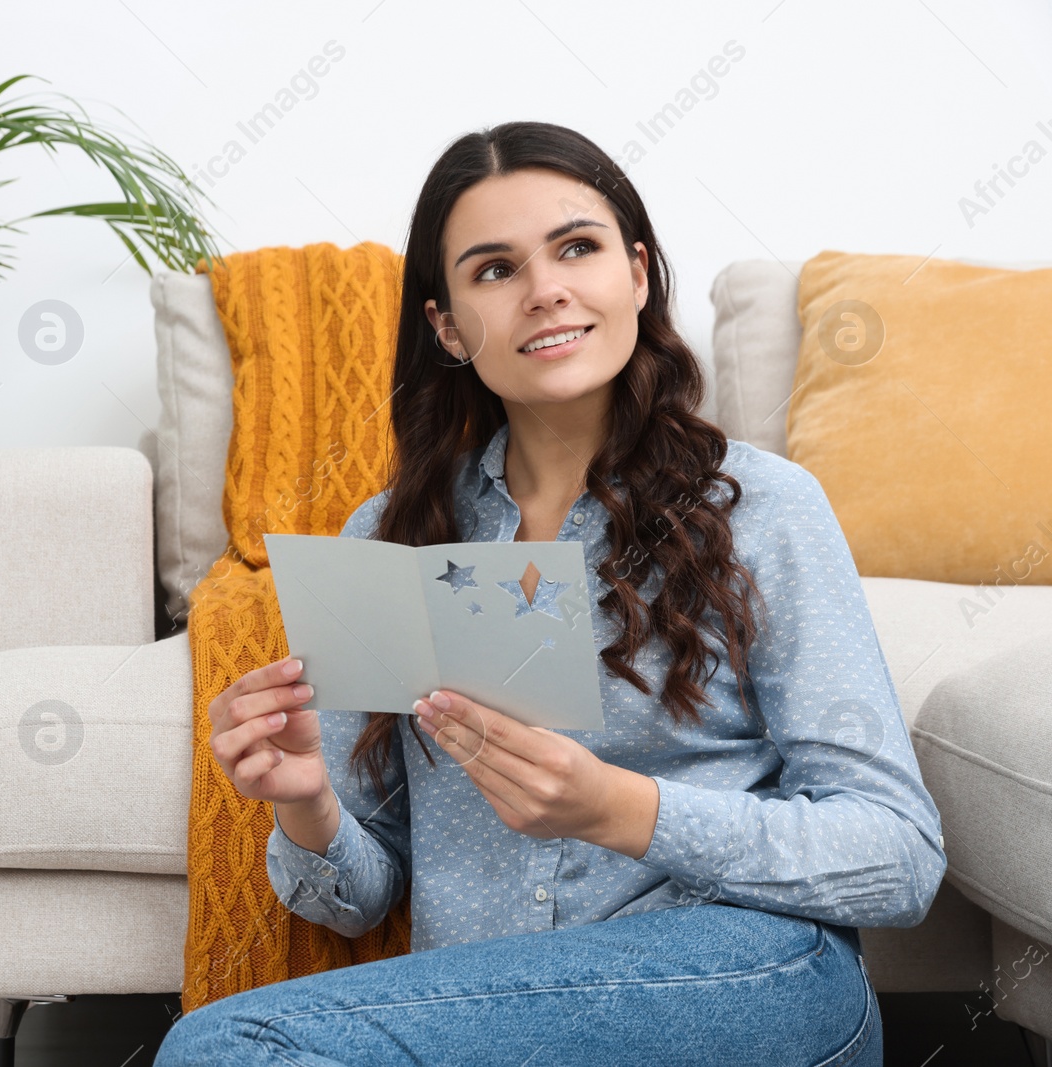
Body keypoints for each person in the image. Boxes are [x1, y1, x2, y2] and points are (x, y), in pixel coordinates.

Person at [155, 120, 942, 1066]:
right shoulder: (391, 540)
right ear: (448, 326)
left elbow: (899, 858)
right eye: (494, 269)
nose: (546, 290)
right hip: (502, 1008)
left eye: (578, 247)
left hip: (748, 970)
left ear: (638, 274)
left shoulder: (764, 507)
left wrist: (616, 806)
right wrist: (307, 801)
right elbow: (356, 895)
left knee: (232, 1046)